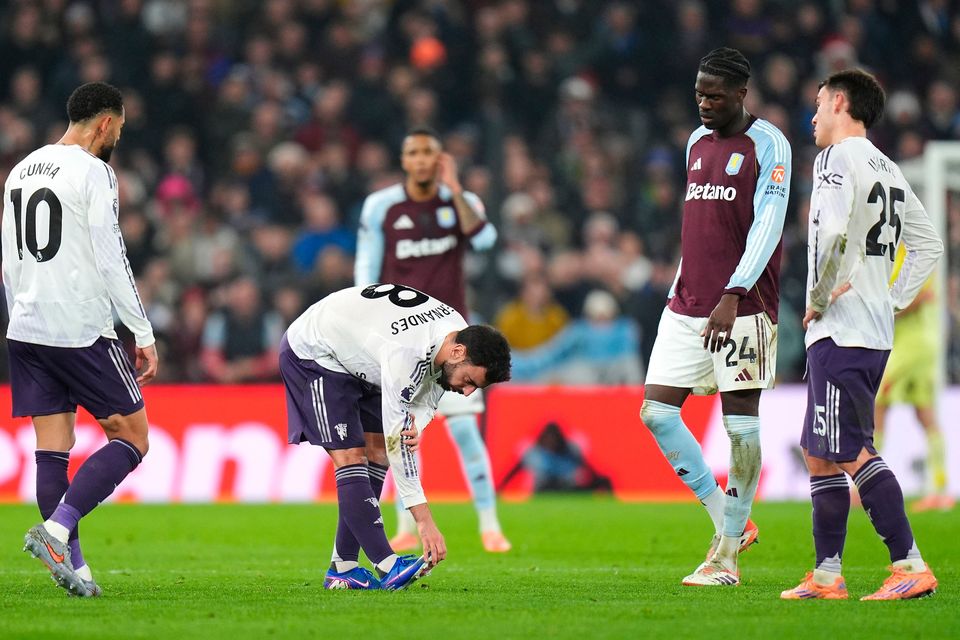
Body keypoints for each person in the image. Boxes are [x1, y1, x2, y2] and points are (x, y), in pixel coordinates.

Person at [781, 69, 943, 601]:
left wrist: (819, 298)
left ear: (842, 102)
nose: (814, 113)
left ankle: (910, 564)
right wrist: (892, 298)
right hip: (870, 329)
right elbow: (928, 245)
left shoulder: (836, 158)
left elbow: (829, 235)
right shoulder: (889, 168)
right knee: (819, 451)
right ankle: (827, 574)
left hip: (841, 329)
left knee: (850, 448)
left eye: (820, 101)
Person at [639, 47, 792, 587]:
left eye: (715, 95)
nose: (704, 103)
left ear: (741, 94)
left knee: (740, 424)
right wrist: (683, 281)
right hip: (687, 303)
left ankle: (726, 556)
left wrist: (734, 291)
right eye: (699, 93)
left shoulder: (768, 144)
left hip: (743, 306)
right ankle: (730, 520)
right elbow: (700, 225)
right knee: (656, 413)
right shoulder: (696, 143)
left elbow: (768, 225)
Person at [2, 82, 158, 597]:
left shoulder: (22, 169)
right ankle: (55, 529)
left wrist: (23, 312)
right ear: (106, 125)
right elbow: (112, 256)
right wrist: (142, 330)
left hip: (25, 326)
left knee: (54, 448)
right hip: (78, 328)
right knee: (133, 437)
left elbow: (9, 260)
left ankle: (78, 570)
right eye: (120, 129)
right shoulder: (95, 171)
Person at [279, 283, 511, 590]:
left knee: (377, 455)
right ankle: (387, 565)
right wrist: (424, 520)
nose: (467, 392)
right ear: (458, 352)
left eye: (474, 388)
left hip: (362, 357)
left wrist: (420, 421)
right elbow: (397, 441)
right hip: (317, 353)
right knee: (351, 456)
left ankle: (343, 567)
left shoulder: (456, 333)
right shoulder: (408, 352)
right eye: (469, 381)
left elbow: (431, 391)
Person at [354, 127, 512, 553]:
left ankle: (489, 525)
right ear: (404, 160)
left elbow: (486, 240)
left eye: (429, 152)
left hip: (452, 341)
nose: (422, 159)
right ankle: (404, 526)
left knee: (465, 433)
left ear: (440, 158)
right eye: (414, 152)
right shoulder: (381, 205)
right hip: (400, 338)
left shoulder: (460, 203)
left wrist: (456, 189)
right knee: (399, 429)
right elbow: (365, 267)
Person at [874, 247, 953, 512]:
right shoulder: (891, 249)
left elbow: (919, 295)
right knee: (924, 413)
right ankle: (940, 489)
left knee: (878, 402)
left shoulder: (913, 249)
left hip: (913, 345)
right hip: (914, 344)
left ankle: (864, 485)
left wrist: (884, 313)